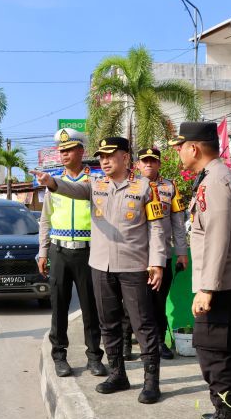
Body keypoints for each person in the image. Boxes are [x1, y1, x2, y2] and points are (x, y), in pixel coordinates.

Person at [32, 137, 167, 404]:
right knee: (108, 323)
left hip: (133, 266)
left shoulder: (145, 188)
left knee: (143, 325)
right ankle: (118, 374)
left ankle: (152, 383)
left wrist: (157, 262)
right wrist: (51, 182)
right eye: (101, 157)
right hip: (100, 266)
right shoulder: (94, 184)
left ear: (126, 158)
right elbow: (71, 189)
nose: (104, 161)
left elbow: (156, 228)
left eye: (110, 155)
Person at [168, 122, 231, 419]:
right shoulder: (217, 177)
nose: (178, 153)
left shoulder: (215, 182)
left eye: (180, 147)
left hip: (222, 285)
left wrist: (207, 288)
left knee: (214, 351)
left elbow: (217, 238)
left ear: (193, 148)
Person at [38, 128, 106, 378]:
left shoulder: (97, 179)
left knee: (91, 307)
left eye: (69, 150)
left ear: (81, 151)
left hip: (89, 252)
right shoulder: (52, 181)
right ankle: (59, 356)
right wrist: (42, 252)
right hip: (59, 251)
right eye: (61, 150)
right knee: (59, 306)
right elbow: (45, 220)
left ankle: (94, 357)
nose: (64, 154)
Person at [129, 147, 189, 360]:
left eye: (153, 161)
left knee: (158, 301)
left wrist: (182, 252)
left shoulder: (170, 187)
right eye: (144, 161)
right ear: (137, 165)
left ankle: (159, 341)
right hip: (135, 255)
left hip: (162, 256)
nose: (148, 164)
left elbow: (178, 223)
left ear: (159, 164)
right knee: (132, 301)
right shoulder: (130, 185)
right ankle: (128, 342)